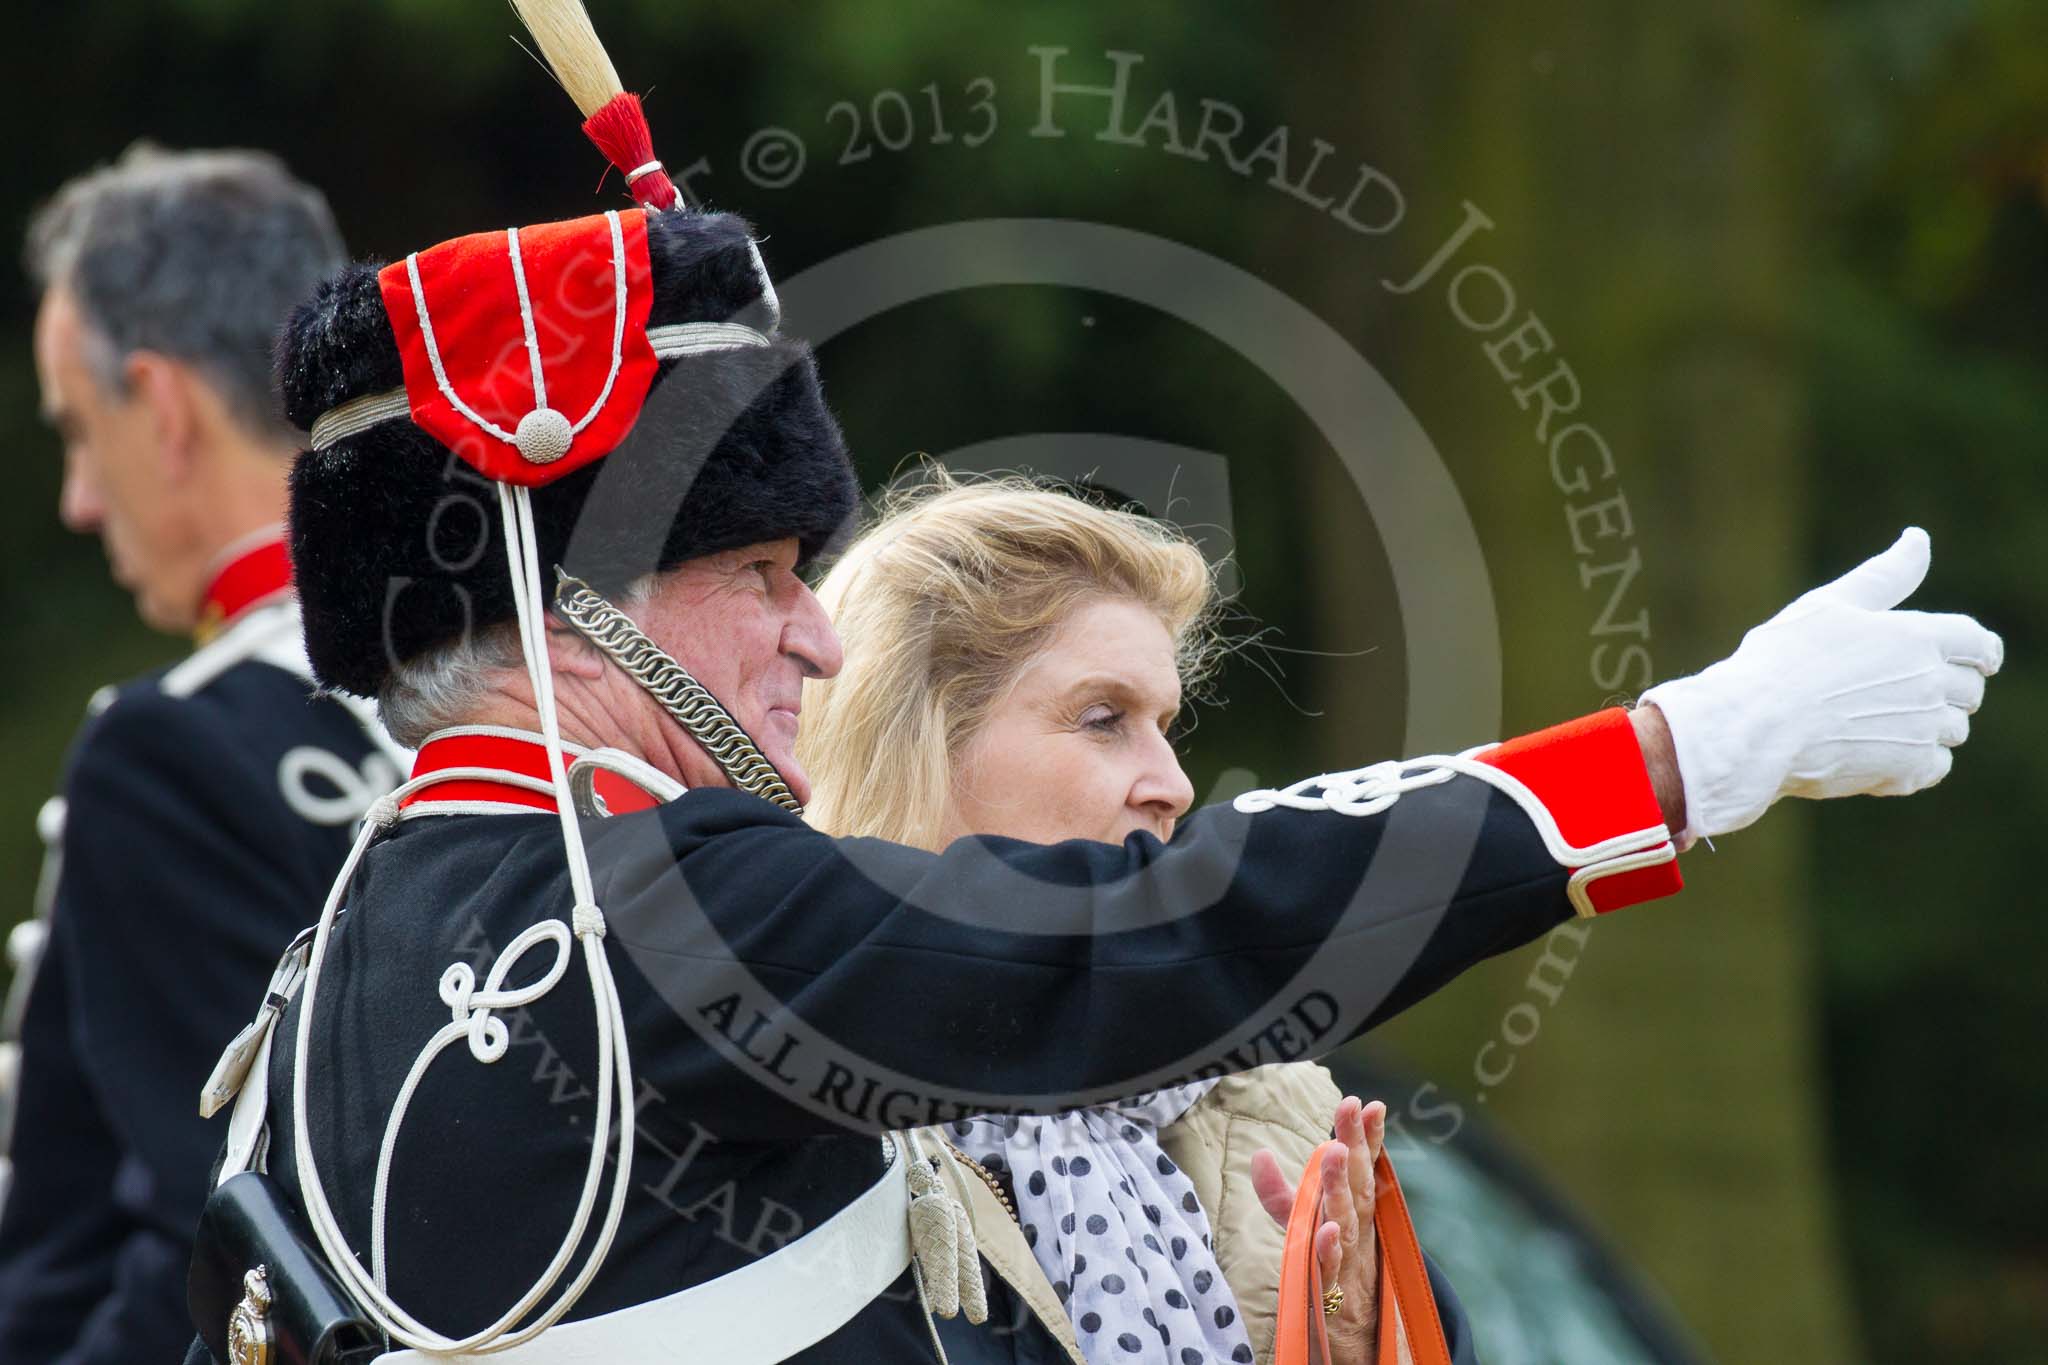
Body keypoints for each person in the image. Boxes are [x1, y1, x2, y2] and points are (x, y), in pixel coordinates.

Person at [186, 13, 2002, 1362]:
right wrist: (1686, 752)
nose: (814, 635)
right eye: (752, 574)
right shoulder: (646, 913)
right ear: (562, 599)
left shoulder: (316, 980)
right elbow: (1159, 925)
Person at [798, 476, 1410, 1365]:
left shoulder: (1282, 1106)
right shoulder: (778, 1114)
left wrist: (1371, 1344)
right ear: (917, 743)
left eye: (1166, 724)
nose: (1174, 784)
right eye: (1103, 719)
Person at [0, 145, 405, 1365]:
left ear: (163, 407)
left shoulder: (172, 749)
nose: (78, 497)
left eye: (81, 428)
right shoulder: (565, 694)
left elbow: (207, 1240)